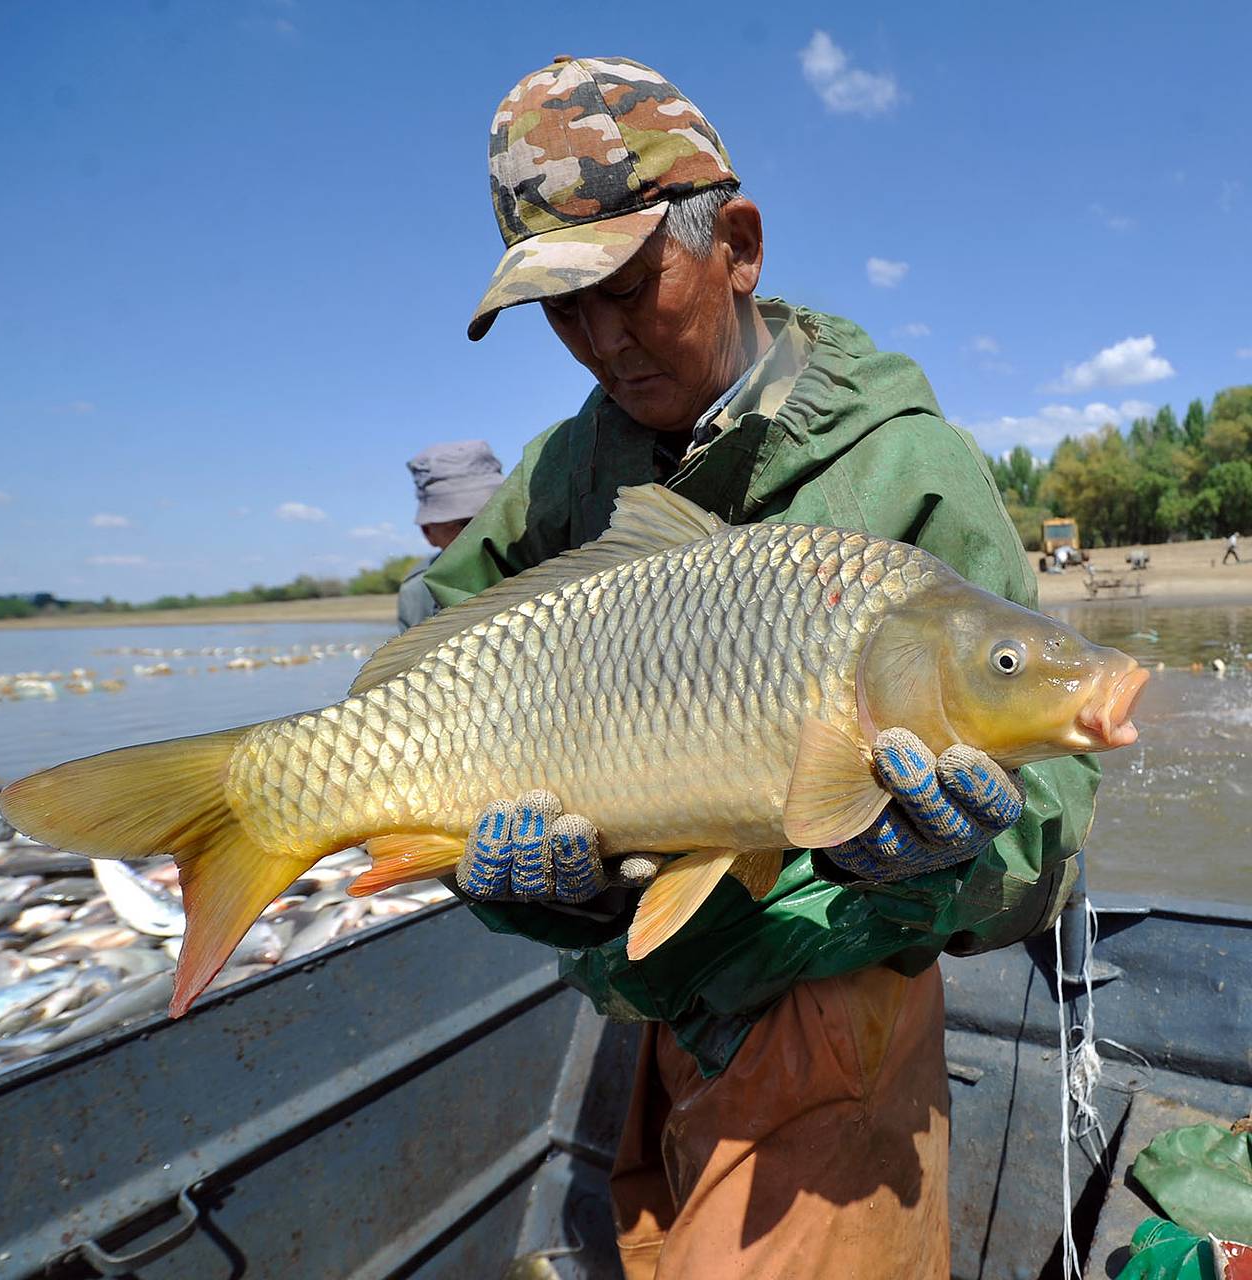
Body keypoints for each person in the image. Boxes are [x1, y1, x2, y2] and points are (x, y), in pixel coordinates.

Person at [424, 56, 1100, 1278]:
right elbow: (427, 650)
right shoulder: (565, 471)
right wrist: (540, 891)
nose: (599, 342)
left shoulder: (907, 469)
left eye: (625, 289)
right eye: (561, 312)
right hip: (647, 992)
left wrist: (943, 869)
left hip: (836, 1007)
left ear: (735, 243)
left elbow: (1043, 816)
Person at [395, 440, 504, 633]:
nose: (484, 532)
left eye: (492, 516)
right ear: (428, 532)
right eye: (464, 524)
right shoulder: (418, 594)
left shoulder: (551, 559)